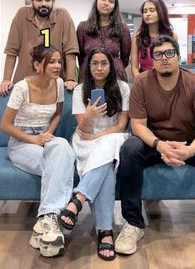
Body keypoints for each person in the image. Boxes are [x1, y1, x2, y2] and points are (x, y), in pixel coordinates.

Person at [115, 35, 195, 265]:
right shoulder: (142, 83)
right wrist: (159, 145)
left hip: (190, 142)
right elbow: (138, 126)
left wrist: (188, 151)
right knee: (129, 149)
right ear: (152, 60)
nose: (164, 58)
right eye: (158, 55)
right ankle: (133, 224)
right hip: (153, 143)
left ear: (178, 57)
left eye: (169, 53)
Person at [0, 45, 76, 258]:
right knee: (60, 162)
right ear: (37, 65)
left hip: (44, 138)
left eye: (59, 61)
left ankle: (43, 223)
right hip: (21, 142)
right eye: (52, 62)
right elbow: (5, 125)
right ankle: (51, 221)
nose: (57, 66)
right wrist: (34, 140)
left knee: (63, 147)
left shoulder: (59, 83)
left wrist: (47, 136)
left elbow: (58, 115)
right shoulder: (22, 87)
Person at [58, 47, 130, 261]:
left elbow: (121, 125)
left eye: (104, 63)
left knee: (110, 144)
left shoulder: (123, 88)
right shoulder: (81, 90)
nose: (99, 68)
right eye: (94, 63)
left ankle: (77, 199)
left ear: (111, 66)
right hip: (85, 139)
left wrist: (101, 137)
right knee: (106, 166)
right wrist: (89, 115)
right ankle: (105, 231)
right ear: (88, 67)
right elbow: (85, 129)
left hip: (112, 138)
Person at [0, 0, 79, 96]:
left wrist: (70, 79)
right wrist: (6, 79)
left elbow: (70, 51)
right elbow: (11, 51)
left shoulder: (63, 15)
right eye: (39, 0)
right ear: (31, 1)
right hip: (24, 82)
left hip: (53, 85)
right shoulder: (22, 14)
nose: (44, 4)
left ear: (53, 1)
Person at [76, 0, 131, 82]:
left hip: (115, 77)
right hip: (88, 77)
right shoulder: (83, 27)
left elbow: (125, 59)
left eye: (111, 1)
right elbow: (81, 57)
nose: (106, 3)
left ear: (115, 6)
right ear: (97, 1)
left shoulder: (122, 28)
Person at [131, 0, 177, 79]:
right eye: (145, 11)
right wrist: (140, 83)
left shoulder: (172, 36)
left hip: (166, 79)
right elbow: (134, 68)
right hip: (144, 80)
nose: (147, 14)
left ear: (161, 12)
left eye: (152, 10)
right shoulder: (137, 37)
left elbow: (175, 64)